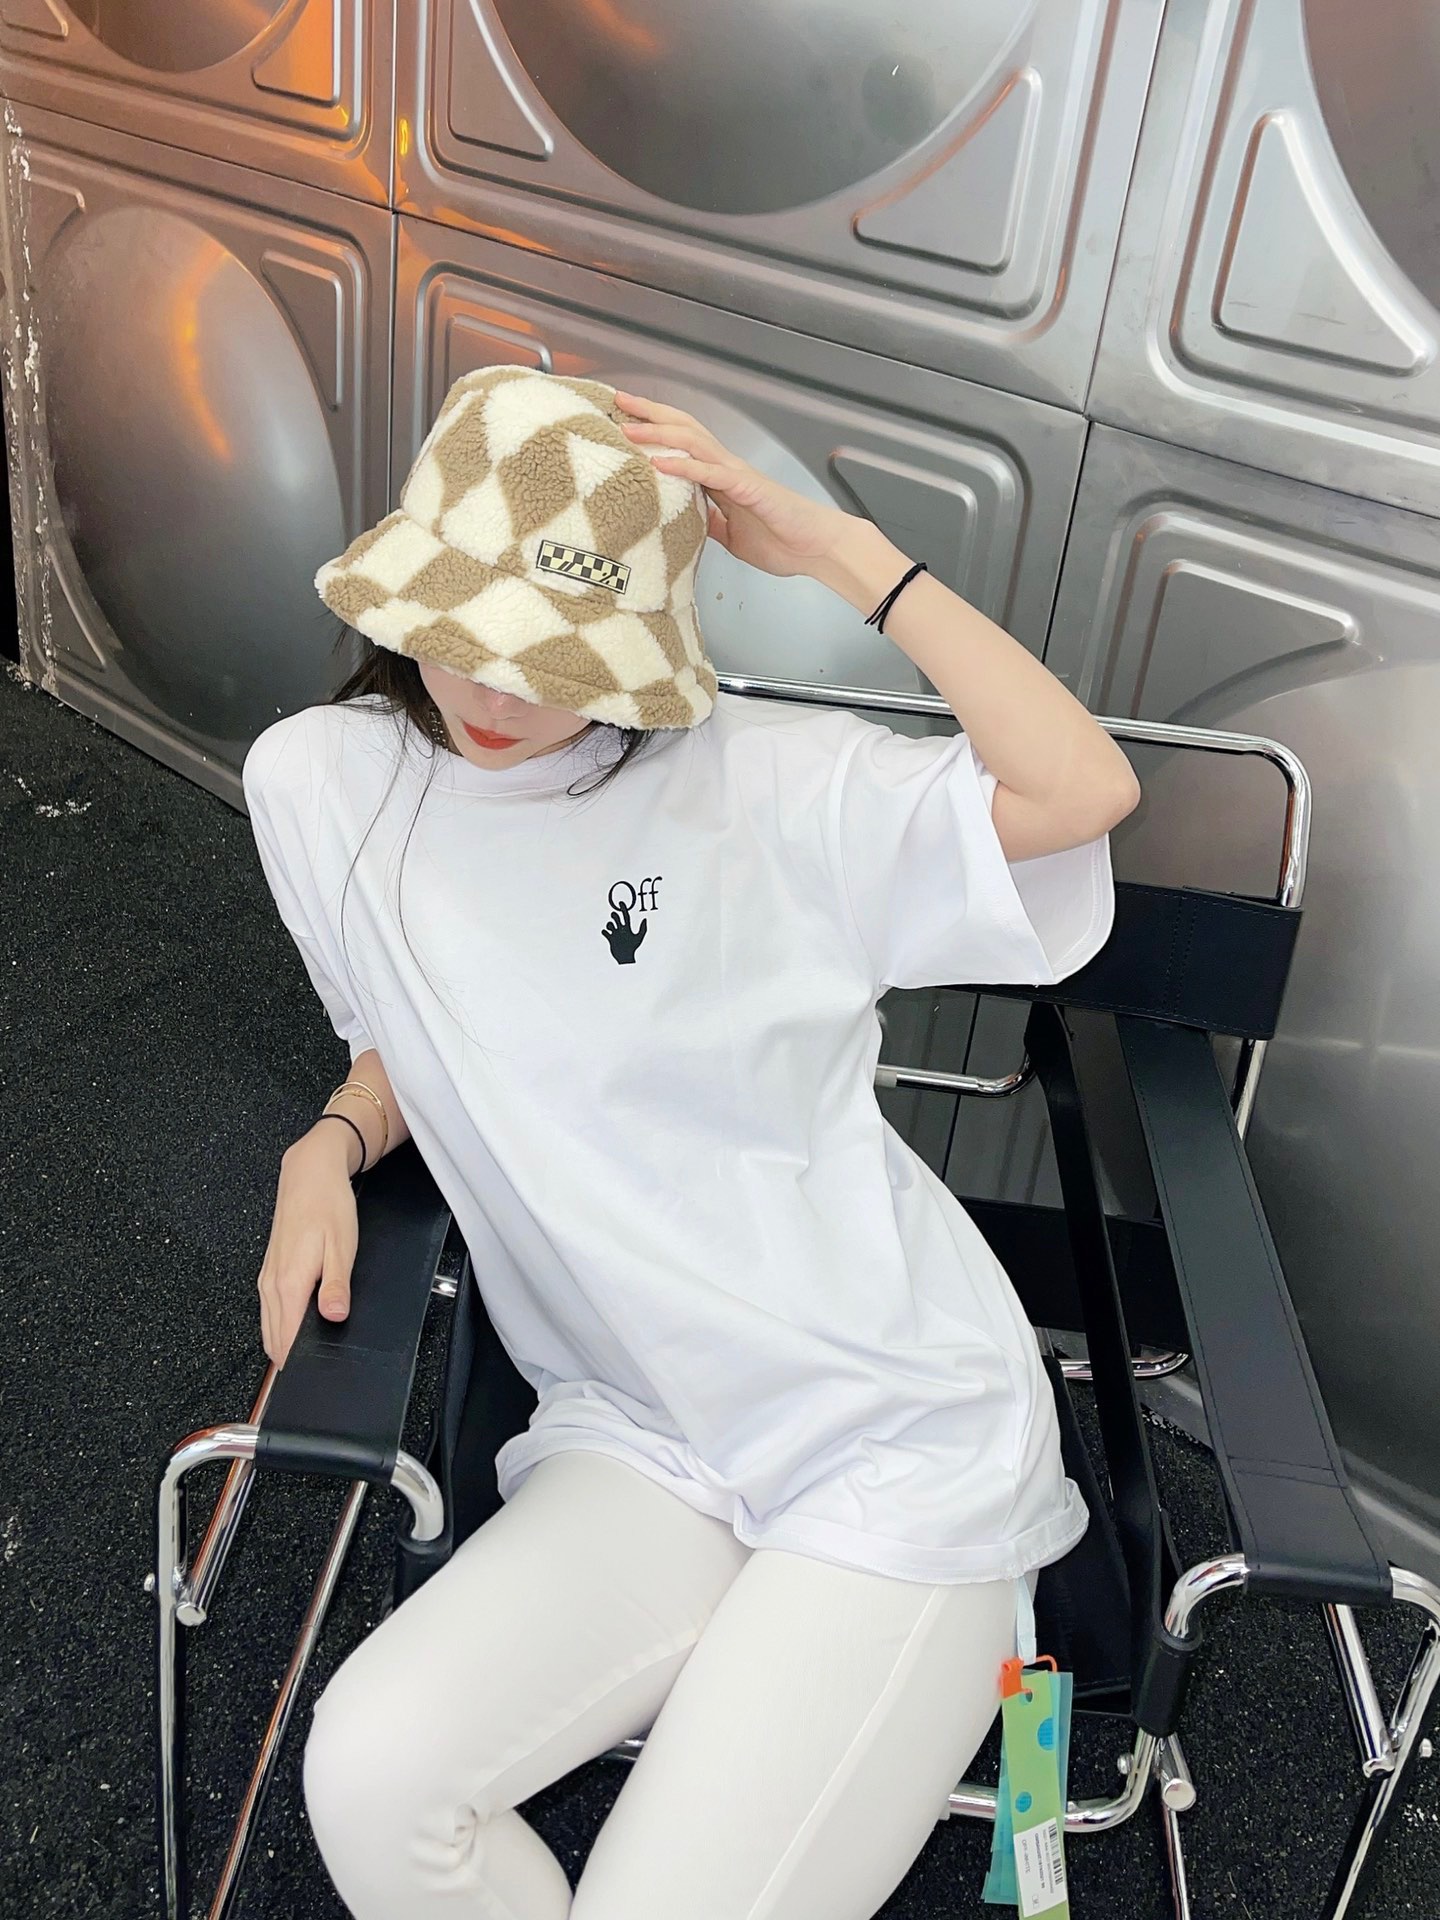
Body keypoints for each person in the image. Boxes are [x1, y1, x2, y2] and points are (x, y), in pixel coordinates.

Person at [241, 365, 1141, 1919]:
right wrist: (329, 1141)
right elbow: (406, 1034)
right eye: (462, 628)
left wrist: (844, 553)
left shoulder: (771, 788)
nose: (495, 688)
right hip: (637, 1429)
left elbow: (1083, 786)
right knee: (373, 1775)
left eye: (549, 649)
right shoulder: (323, 785)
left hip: (888, 1438)